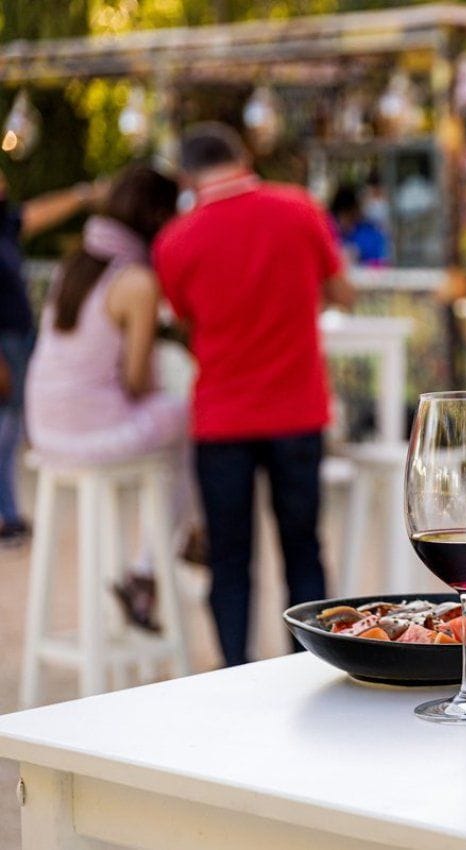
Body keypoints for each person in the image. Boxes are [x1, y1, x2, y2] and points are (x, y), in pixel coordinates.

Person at [153, 122, 355, 667]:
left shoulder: (176, 238)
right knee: (304, 550)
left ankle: (234, 674)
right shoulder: (299, 208)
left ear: (186, 175)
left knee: (229, 558)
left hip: (221, 418)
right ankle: (306, 668)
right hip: (297, 410)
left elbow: (184, 319)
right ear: (243, 156)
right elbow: (343, 293)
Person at [25, 163, 189, 630]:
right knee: (196, 419)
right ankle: (152, 565)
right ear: (158, 217)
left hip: (46, 431)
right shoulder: (136, 281)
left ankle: (174, 550)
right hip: (91, 435)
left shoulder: (74, 265)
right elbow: (139, 383)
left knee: (178, 434)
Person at [0, 171, 104, 545]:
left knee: (10, 431)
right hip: (4, 347)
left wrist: (85, 194)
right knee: (5, 431)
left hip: (17, 340)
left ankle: (8, 513)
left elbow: (40, 211)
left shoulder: (6, 224)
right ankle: (6, 515)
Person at [330, 184, 389, 266]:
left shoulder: (371, 234)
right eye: (341, 218)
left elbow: (381, 264)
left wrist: (360, 258)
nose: (344, 222)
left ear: (356, 212)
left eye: (349, 216)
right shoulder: (329, 231)